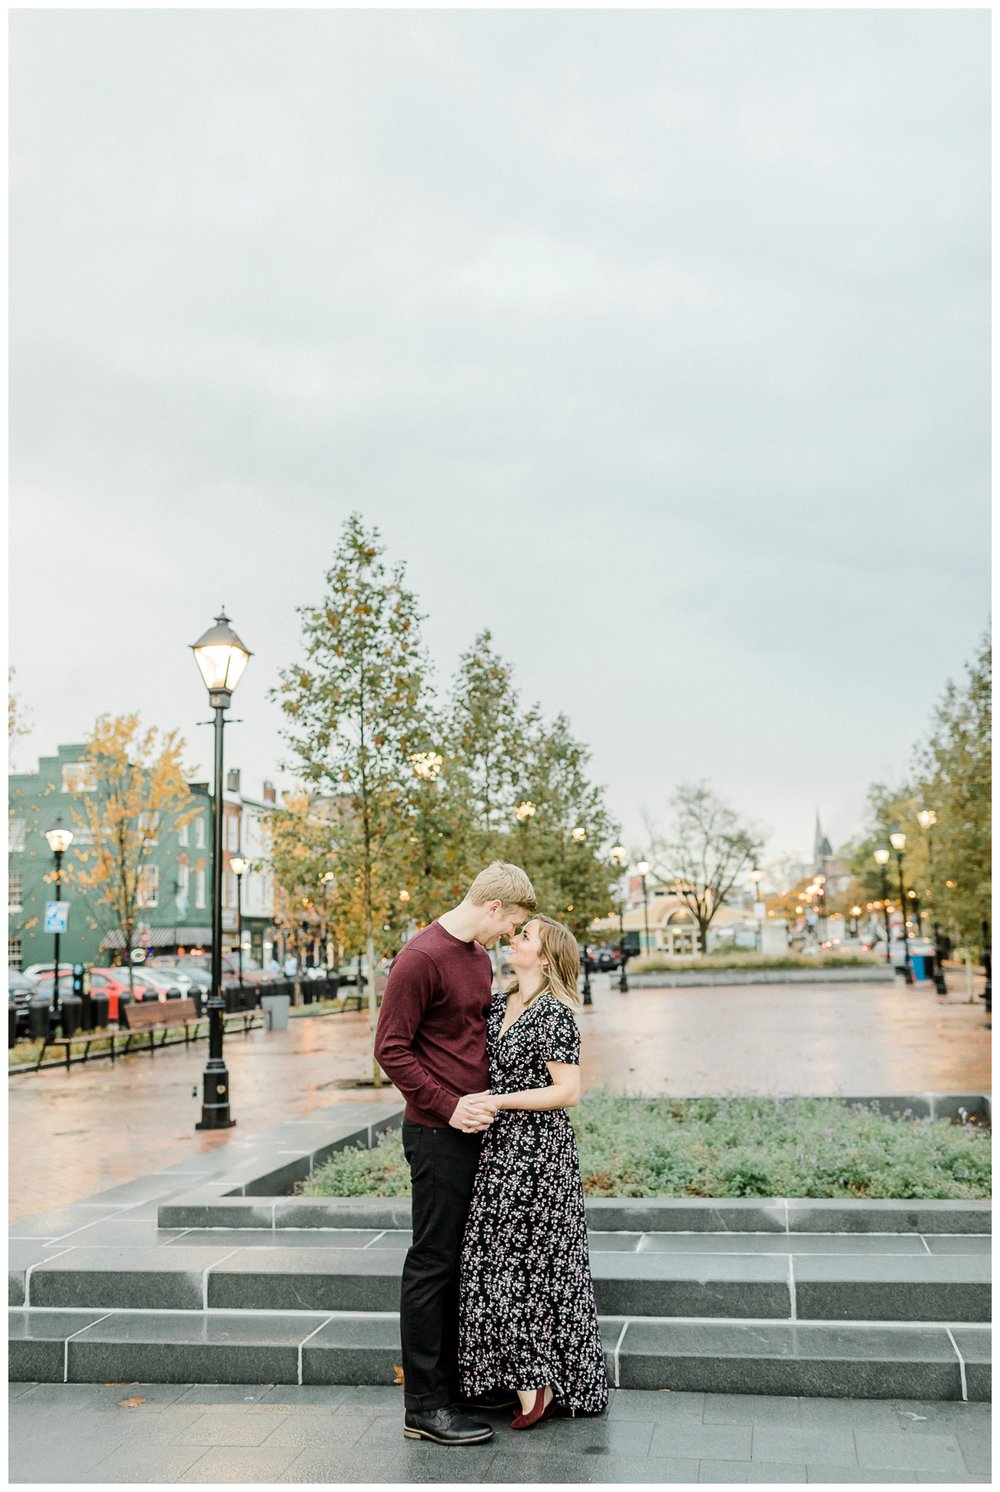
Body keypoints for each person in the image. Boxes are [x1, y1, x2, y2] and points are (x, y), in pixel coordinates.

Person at [373, 861, 537, 1446]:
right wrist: (448, 1107)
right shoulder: (420, 957)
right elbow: (390, 1048)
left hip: (475, 1129)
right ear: (492, 907)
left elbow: (470, 1032)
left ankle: (455, 1386)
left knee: (464, 1263)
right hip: (437, 1133)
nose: (506, 937)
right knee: (433, 1262)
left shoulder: (475, 956)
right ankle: (424, 1405)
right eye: (509, 924)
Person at [457, 914, 609, 1428]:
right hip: (498, 1151)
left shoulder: (555, 1013)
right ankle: (523, 1378)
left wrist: (498, 1100)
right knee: (495, 1260)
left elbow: (568, 1092)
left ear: (544, 957)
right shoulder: (498, 1004)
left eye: (525, 936)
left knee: (530, 1264)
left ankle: (536, 1384)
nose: (514, 939)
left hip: (539, 1155)